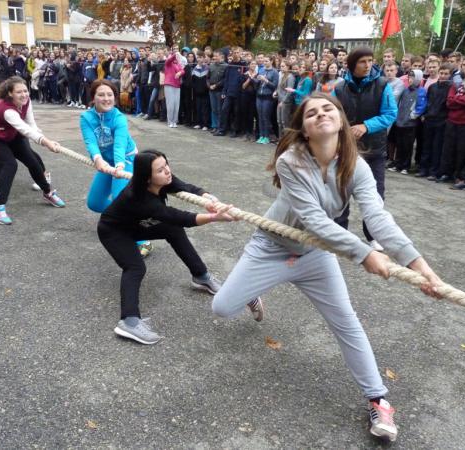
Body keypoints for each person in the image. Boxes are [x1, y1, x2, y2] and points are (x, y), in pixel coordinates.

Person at [212, 92, 442, 443]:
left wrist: (421, 266)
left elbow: (378, 218)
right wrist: (364, 254)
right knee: (222, 307)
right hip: (271, 247)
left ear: (341, 121)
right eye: (311, 113)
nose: (320, 114)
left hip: (315, 255)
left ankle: (378, 400)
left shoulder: (357, 166)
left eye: (328, 109)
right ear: (304, 129)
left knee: (346, 323)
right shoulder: (291, 161)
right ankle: (252, 293)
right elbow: (314, 220)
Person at [98, 149, 247, 344]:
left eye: (166, 165)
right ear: (147, 178)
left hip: (136, 225)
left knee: (173, 229)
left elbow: (186, 187)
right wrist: (214, 217)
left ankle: (201, 276)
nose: (167, 171)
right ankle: (129, 321)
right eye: (160, 170)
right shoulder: (140, 199)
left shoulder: (163, 179)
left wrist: (209, 199)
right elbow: (179, 217)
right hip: (114, 231)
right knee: (135, 267)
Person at [334, 46, 398, 252]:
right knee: (340, 192)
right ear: (352, 64)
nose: (368, 65)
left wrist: (366, 126)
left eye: (370, 60)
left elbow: (390, 113)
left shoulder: (382, 85)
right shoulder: (340, 88)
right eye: (363, 61)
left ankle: (373, 235)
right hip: (346, 149)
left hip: (374, 150)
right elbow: (333, 114)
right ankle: (339, 234)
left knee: (376, 195)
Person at [80, 79, 153, 256]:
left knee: (121, 201)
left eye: (110, 95)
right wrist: (98, 159)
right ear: (93, 98)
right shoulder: (86, 118)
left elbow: (120, 144)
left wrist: (119, 164)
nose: (106, 98)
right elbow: (91, 142)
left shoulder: (119, 118)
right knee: (95, 203)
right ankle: (120, 218)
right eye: (101, 95)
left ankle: (143, 239)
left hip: (126, 160)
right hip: (106, 162)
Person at [0, 76, 65, 225]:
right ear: (10, 93)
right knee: (10, 164)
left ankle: (48, 192)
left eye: (25, 91)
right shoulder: (7, 109)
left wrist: (43, 137)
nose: (24, 94)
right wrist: (46, 143)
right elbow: (24, 129)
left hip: (12, 133)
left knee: (32, 160)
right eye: (19, 92)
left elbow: (30, 124)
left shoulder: (26, 101)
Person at [388, 70, 427, 174]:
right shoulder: (405, 90)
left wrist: (413, 116)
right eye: (409, 77)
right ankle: (398, 164)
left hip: (410, 124)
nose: (410, 80)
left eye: (413, 77)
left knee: (407, 146)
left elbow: (421, 106)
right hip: (400, 121)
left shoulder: (421, 91)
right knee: (399, 144)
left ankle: (405, 166)